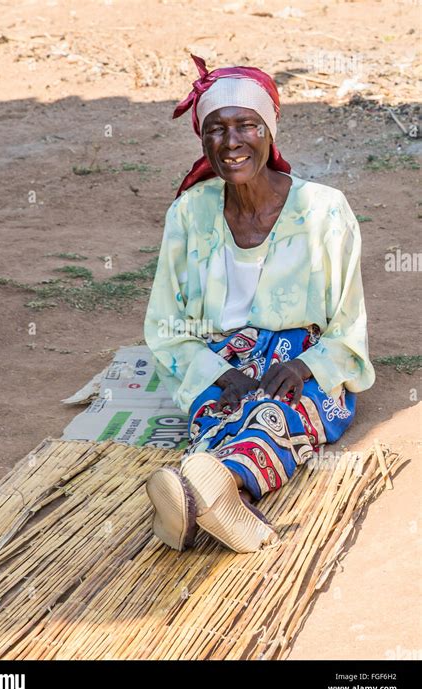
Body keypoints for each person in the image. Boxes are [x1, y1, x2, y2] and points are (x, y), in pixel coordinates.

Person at [143, 55, 375, 554]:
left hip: (301, 357)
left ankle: (217, 487)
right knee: (221, 407)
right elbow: (167, 324)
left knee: (279, 408)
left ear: (269, 131)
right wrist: (220, 374)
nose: (231, 143)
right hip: (223, 356)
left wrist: (304, 365)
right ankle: (222, 499)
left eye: (246, 125)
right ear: (202, 140)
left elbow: (347, 328)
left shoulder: (325, 211)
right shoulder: (189, 214)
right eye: (216, 129)